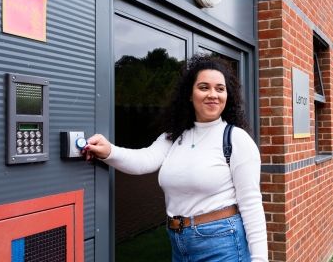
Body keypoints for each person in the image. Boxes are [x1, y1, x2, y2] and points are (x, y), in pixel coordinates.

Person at [84, 55, 268, 261]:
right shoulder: (173, 137)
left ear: (228, 95)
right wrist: (109, 151)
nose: (213, 95)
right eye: (204, 87)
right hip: (178, 242)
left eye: (220, 88)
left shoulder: (236, 139)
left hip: (223, 241)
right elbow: (143, 160)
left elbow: (251, 204)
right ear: (190, 94)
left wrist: (260, 258)